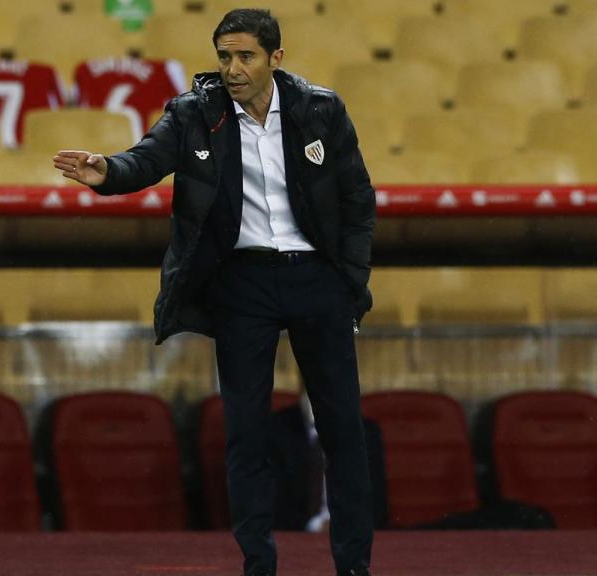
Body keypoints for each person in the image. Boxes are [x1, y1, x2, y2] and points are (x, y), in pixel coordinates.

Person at [54, 9, 376, 576]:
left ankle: (354, 566)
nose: (232, 69)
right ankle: (259, 565)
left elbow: (357, 199)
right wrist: (109, 171)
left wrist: (349, 284)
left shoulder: (321, 109)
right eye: (224, 56)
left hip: (317, 279)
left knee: (342, 429)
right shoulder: (193, 113)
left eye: (245, 56)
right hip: (242, 282)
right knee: (245, 434)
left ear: (276, 58)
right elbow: (147, 159)